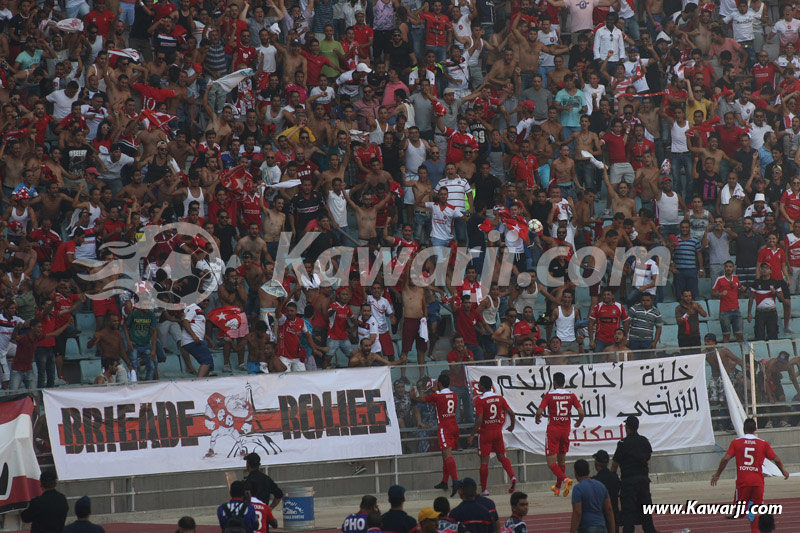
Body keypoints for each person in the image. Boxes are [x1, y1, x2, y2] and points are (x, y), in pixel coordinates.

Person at [711, 418, 790, 533]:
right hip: (758, 482)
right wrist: (783, 471)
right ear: (755, 429)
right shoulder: (763, 443)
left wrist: (717, 474)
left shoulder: (736, 442)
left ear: (744, 429)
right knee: (756, 509)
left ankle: (744, 511)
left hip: (743, 481)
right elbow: (776, 459)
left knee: (741, 511)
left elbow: (725, 459)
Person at [535, 371, 586, 497]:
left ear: (554, 382)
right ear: (564, 382)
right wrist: (579, 422)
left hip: (553, 431)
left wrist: (537, 418)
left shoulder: (549, 395)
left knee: (551, 462)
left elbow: (539, 411)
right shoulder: (571, 395)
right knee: (561, 460)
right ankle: (557, 488)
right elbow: (581, 412)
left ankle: (565, 479)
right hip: (565, 430)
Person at [467, 375, 517, 496]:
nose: (478, 386)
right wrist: (512, 426)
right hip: (497, 432)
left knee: (484, 461)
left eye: (479, 384)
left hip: (485, 433)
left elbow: (479, 419)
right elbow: (511, 413)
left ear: (483, 387)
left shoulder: (480, 400)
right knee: (502, 456)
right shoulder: (499, 398)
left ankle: (484, 489)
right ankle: (512, 476)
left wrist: (472, 434)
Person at [412, 373, 461, 496]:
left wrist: (413, 396)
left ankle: (455, 481)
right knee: (445, 455)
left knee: (447, 455)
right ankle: (444, 481)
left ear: (439, 384)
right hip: (454, 425)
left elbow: (423, 399)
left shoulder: (437, 396)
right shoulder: (454, 394)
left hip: (445, 427)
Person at [611, 415, 657, 533]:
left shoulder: (623, 443)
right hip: (643, 481)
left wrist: (612, 476)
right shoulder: (644, 441)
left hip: (628, 482)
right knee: (645, 511)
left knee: (628, 512)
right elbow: (647, 460)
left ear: (627, 427)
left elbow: (615, 464)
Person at [569, 459, 616, 533]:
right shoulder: (601, 486)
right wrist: (612, 530)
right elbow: (609, 509)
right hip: (601, 526)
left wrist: (572, 530)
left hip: (586, 526)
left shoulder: (578, 489)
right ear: (589, 470)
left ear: (575, 473)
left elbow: (577, 512)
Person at [591, 450, 620, 529]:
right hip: (614, 516)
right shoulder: (615, 478)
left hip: (599, 518)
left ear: (596, 464)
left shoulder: (594, 481)